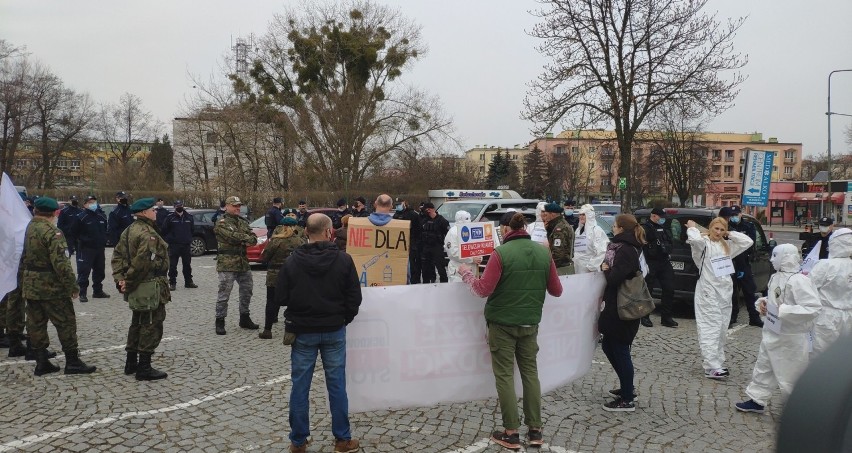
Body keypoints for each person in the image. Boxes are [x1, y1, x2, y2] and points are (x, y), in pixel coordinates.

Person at [457, 212, 563, 449]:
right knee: (530, 374)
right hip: (530, 323)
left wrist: (465, 273)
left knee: (505, 376)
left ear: (505, 230)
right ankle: (535, 430)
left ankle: (511, 432)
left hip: (502, 324)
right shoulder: (543, 253)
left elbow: (483, 290)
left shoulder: (500, 254)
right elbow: (557, 290)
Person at [276, 214, 362, 453]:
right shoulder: (344, 260)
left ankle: (298, 442)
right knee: (336, 385)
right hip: (333, 329)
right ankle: (342, 440)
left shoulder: (292, 261)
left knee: (300, 387)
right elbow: (355, 298)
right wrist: (343, 319)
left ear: (306, 232)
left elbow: (280, 296)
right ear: (328, 232)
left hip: (303, 330)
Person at [734, 244, 821, 414]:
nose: (772, 259)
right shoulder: (775, 277)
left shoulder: (799, 280)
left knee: (791, 373)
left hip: (790, 336)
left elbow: (813, 307)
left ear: (786, 257)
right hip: (772, 330)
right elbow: (775, 298)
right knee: (764, 366)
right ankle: (757, 399)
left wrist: (783, 311)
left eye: (775, 255)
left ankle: (798, 407)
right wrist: (764, 304)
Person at [22, 197, 96, 376]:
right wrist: (72, 286)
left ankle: (41, 361)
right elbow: (61, 264)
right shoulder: (52, 232)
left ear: (36, 211)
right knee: (65, 322)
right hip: (51, 286)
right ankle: (72, 361)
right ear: (56, 212)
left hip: (31, 283)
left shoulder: (30, 227)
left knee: (36, 323)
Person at [686, 217, 753, 379]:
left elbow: (747, 242)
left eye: (722, 230)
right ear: (710, 228)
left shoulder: (727, 246)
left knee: (722, 328)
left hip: (725, 291)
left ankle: (718, 362)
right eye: (716, 229)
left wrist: (730, 233)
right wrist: (693, 227)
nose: (718, 232)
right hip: (708, 291)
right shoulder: (703, 244)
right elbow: (694, 239)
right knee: (711, 326)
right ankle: (711, 365)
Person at [112, 197, 170, 381]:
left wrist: (121, 278)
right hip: (148, 284)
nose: (156, 212)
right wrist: (128, 281)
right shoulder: (147, 233)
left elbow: (117, 256)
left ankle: (131, 362)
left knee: (137, 322)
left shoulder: (129, 230)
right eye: (153, 209)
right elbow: (142, 262)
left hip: (138, 284)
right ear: (144, 213)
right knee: (151, 323)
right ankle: (143, 367)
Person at [599, 214, 646, 411]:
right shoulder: (623, 246)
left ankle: (627, 398)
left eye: (615, 225)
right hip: (616, 304)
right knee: (609, 346)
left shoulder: (626, 249)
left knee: (620, 348)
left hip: (623, 306)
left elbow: (615, 277)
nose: (613, 228)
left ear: (621, 229)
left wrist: (606, 269)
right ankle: (627, 386)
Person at [213, 196, 259, 335]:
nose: (237, 208)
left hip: (242, 262)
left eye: (239, 206)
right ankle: (220, 320)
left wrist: (241, 238)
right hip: (227, 262)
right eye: (234, 206)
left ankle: (244, 317)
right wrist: (243, 238)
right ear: (226, 206)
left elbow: (253, 239)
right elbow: (230, 237)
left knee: (247, 291)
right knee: (224, 293)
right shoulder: (221, 222)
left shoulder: (242, 222)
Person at [259, 211, 306, 339]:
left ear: (283, 226)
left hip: (275, 275)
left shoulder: (275, 240)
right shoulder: (301, 242)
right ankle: (291, 330)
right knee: (293, 302)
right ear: (295, 227)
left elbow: (264, 257)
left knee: (271, 301)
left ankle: (267, 330)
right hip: (294, 275)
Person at [808, 227, 852, 357]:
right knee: (844, 355)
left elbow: (807, 288)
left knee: (821, 354)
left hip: (827, 316)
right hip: (849, 315)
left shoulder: (826, 265)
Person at [719, 206, 763, 328]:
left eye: (735, 214)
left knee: (749, 292)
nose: (733, 217)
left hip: (744, 264)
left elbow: (749, 245)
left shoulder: (749, 227)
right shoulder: (725, 227)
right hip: (730, 264)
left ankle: (754, 317)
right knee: (731, 293)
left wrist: (742, 267)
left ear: (740, 214)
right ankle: (732, 317)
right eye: (731, 215)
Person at [640, 208, 678, 328]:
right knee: (648, 290)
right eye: (660, 216)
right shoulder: (645, 228)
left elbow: (670, 242)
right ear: (653, 216)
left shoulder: (665, 228)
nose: (663, 218)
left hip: (664, 261)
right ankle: (645, 316)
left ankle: (666, 318)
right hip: (651, 262)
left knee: (669, 288)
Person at [72, 195, 110, 303]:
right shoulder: (80, 217)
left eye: (94, 202)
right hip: (86, 249)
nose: (92, 204)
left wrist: (104, 239)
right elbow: (74, 232)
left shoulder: (101, 216)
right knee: (84, 271)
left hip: (99, 248)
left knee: (99, 271)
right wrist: (80, 242)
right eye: (90, 202)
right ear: (85, 205)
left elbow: (105, 230)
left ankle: (97, 291)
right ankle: (82, 293)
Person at [161, 200, 197, 291]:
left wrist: (188, 238)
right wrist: (170, 239)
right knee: (173, 265)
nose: (179, 207)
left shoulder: (189, 217)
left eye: (180, 205)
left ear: (183, 206)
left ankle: (188, 282)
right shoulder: (170, 218)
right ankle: (172, 283)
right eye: (177, 206)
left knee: (187, 265)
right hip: (174, 245)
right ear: (174, 207)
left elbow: (192, 230)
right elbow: (164, 230)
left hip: (186, 244)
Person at [444, 210, 482, 282]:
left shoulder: (470, 230)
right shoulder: (453, 232)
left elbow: (477, 247)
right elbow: (453, 253)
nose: (469, 220)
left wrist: (479, 257)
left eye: (469, 218)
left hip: (472, 271)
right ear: (460, 219)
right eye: (467, 218)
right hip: (458, 271)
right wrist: (471, 259)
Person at [573, 204, 609, 274]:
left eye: (583, 214)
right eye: (580, 215)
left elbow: (602, 251)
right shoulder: (578, 230)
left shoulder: (596, 230)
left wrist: (591, 266)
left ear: (589, 215)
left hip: (590, 271)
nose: (581, 217)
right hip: (578, 268)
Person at [393, 199, 423, 284]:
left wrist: (416, 244)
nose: (397, 206)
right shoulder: (396, 215)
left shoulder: (413, 215)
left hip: (411, 244)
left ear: (404, 203)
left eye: (399, 204)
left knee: (412, 266)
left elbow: (419, 230)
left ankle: (414, 282)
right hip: (400, 245)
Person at [420, 202, 450, 283]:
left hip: (437, 248)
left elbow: (448, 235)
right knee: (426, 270)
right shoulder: (424, 220)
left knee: (441, 269)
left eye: (426, 210)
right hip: (426, 248)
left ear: (430, 209)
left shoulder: (442, 221)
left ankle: (444, 286)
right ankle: (426, 286)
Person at [542, 202, 574, 275]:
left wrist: (550, 266)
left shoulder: (560, 229)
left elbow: (558, 253)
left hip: (561, 268)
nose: (545, 217)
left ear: (552, 214)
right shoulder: (558, 225)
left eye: (546, 215)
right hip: (561, 267)